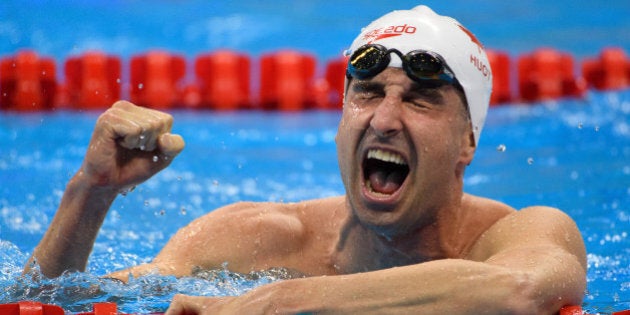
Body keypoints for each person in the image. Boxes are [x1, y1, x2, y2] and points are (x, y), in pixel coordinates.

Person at [25, 5, 586, 314]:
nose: (385, 119)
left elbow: (521, 290)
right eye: (367, 93)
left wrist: (286, 302)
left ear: (468, 141)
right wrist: (89, 193)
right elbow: (49, 304)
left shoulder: (521, 234)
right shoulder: (252, 238)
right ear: (343, 118)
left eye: (418, 100)